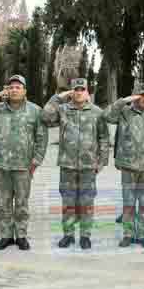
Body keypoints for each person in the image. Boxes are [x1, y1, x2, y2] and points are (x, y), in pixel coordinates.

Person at [0, 75, 48, 250]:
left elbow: (41, 138)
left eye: (18, 87)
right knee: (3, 204)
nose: (14, 90)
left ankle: (21, 235)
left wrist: (36, 161)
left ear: (24, 91)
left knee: (22, 204)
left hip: (23, 166)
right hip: (1, 165)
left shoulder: (35, 111)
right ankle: (6, 235)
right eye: (11, 87)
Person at [43, 78, 109, 250]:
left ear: (87, 92)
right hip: (68, 165)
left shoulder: (97, 112)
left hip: (88, 166)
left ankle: (85, 235)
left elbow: (104, 138)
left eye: (82, 89)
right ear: (72, 92)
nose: (79, 92)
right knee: (68, 202)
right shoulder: (63, 109)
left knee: (87, 202)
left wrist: (102, 161)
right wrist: (59, 96)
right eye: (76, 90)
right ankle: (68, 235)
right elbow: (45, 117)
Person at [104, 82, 144, 249]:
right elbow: (107, 116)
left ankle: (143, 235)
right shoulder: (124, 112)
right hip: (128, 165)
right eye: (140, 95)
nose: (143, 98)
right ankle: (128, 234)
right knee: (128, 203)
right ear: (134, 96)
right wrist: (123, 101)